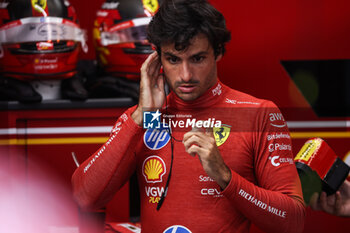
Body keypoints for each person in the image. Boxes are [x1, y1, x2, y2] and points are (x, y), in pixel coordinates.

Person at [72, 0, 305, 232]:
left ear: (219, 52)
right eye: (173, 59)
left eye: (197, 58)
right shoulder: (147, 118)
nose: (185, 75)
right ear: (156, 59)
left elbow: (292, 221)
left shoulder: (258, 114)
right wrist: (141, 115)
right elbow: (84, 197)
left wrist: (225, 177)